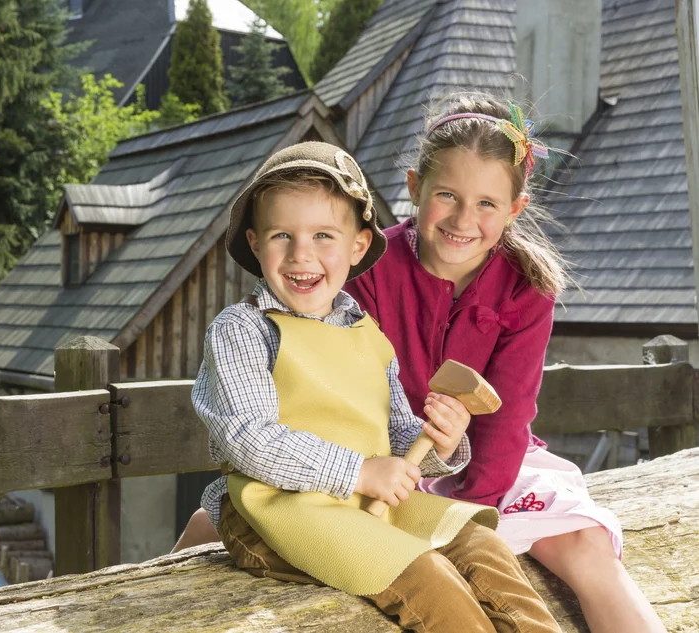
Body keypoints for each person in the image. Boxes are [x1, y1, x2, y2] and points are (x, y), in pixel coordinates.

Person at [173, 94, 666, 633]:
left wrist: (453, 457)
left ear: (514, 209)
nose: (462, 219)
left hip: (431, 463)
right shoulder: (339, 285)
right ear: (414, 188)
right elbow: (266, 427)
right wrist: (375, 474)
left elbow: (496, 417)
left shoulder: (511, 291)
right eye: (447, 196)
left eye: (486, 204)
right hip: (341, 476)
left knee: (546, 547)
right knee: (423, 574)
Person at [192, 140, 561, 632]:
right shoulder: (244, 330)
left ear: (358, 246)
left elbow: (391, 432)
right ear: (256, 244)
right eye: (283, 235)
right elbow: (250, 441)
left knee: (480, 546)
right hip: (276, 513)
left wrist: (441, 446)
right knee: (426, 577)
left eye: (324, 235)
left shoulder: (365, 330)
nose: (302, 254)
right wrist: (360, 473)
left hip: (361, 504)